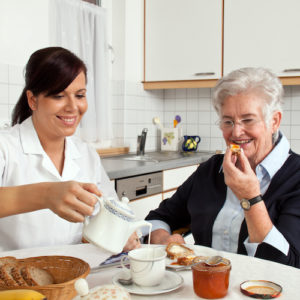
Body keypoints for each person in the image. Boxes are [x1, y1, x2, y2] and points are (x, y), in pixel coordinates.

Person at [145, 67, 300, 268]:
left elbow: (288, 267)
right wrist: (163, 240)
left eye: (248, 119)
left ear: (274, 121)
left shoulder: (296, 177)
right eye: (228, 121)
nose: (236, 132)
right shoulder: (211, 169)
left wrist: (250, 198)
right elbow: (158, 218)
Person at [0, 47, 140, 252]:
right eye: (59, 96)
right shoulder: (6, 147)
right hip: (14, 281)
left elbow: (108, 213)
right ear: (32, 100)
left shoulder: (86, 154)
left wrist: (122, 234)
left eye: (80, 95)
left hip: (76, 276)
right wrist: (46, 194)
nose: (73, 107)